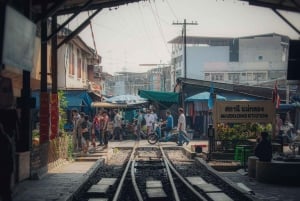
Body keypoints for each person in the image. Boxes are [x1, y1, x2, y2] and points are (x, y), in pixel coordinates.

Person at [0, 123, 13, 201]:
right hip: (7, 168)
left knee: (5, 190)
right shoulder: (7, 138)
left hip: (4, 168)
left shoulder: (4, 140)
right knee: (6, 191)